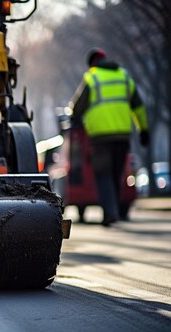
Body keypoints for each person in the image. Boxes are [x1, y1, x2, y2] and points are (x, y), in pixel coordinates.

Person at [70, 48, 149, 226]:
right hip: (122, 135)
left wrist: (75, 121)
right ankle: (115, 210)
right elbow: (138, 106)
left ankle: (110, 212)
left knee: (103, 174)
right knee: (116, 173)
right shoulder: (124, 76)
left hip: (100, 137)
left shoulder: (92, 78)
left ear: (92, 64)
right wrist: (143, 129)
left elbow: (77, 107)